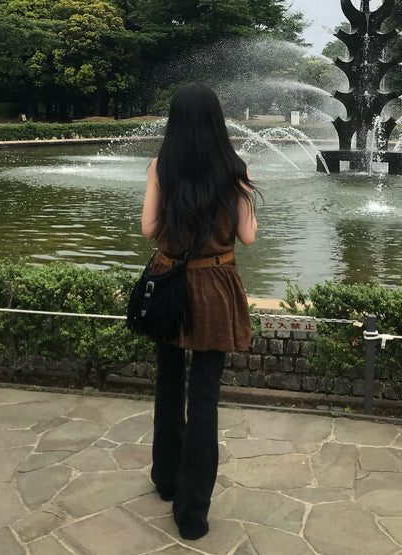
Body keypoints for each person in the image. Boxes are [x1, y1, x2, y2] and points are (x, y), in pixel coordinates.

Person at [141, 82, 258, 541]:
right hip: (214, 285)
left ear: (174, 121)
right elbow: (247, 236)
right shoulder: (234, 170)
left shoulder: (161, 166)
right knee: (205, 395)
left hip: (169, 283)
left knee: (168, 381)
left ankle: (166, 478)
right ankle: (192, 514)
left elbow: (148, 228)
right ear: (216, 121)